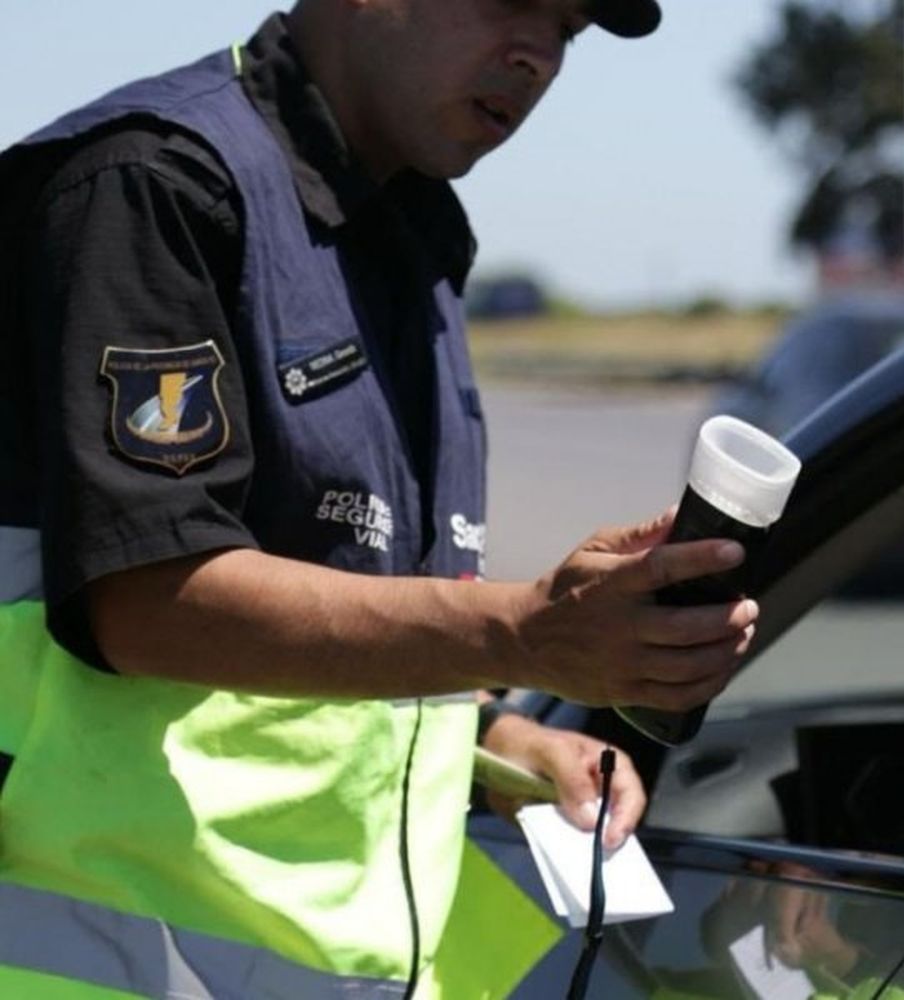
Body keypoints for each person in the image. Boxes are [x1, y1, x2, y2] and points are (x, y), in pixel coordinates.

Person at [0, 1, 759, 997]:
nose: (535, 55)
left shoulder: (412, 234)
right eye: (512, 2)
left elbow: (360, 589)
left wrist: (493, 735)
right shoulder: (153, 183)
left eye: (566, 31)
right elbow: (150, 599)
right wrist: (525, 631)